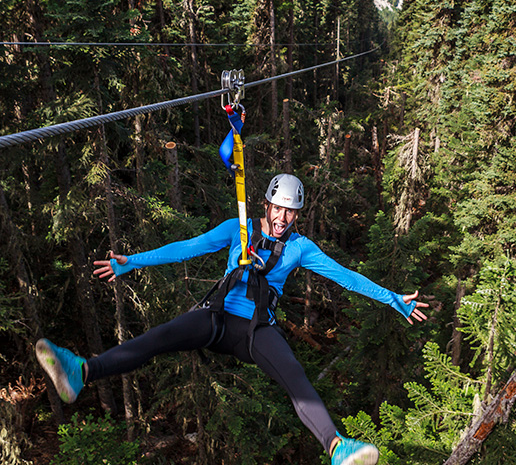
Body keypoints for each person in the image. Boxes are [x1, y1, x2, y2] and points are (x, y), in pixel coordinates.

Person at [36, 173, 428, 465]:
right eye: (279, 209)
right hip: (217, 319)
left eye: (291, 212)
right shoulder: (236, 229)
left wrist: (393, 299)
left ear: (296, 216)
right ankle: (81, 372)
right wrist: (132, 263)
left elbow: (346, 276)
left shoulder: (300, 248)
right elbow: (186, 249)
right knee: (160, 336)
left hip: (256, 331)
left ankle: (336, 446)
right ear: (267, 206)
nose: (283, 218)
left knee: (294, 374)